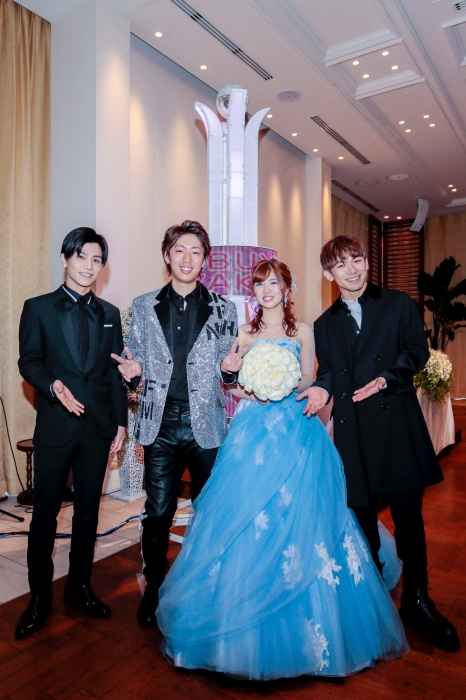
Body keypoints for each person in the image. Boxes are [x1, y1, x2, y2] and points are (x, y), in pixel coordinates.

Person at [155, 259, 409, 681]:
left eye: (274, 283)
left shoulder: (303, 330)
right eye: (260, 284)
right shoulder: (243, 332)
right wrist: (241, 380)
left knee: (306, 515)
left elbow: (311, 376)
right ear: (253, 292)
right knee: (245, 516)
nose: (267, 290)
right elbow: (233, 385)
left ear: (286, 288)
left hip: (295, 426)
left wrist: (285, 382)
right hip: (252, 431)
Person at [298, 235, 460, 653]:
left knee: (409, 518)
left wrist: (387, 378)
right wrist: (320, 388)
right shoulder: (325, 323)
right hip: (353, 432)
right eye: (341, 264)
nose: (351, 269)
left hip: (395, 425)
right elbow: (329, 372)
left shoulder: (398, 304)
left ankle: (418, 600)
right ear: (328, 274)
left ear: (367, 262)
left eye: (356, 260)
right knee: (363, 519)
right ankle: (370, 598)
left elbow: (417, 351)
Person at [112, 220, 245, 628]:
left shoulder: (224, 308)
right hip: (161, 424)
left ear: (205, 260)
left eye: (196, 251)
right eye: (180, 250)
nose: (187, 258)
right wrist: (132, 375)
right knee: (158, 511)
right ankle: (154, 585)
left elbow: (228, 369)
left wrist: (230, 371)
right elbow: (134, 362)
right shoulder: (143, 305)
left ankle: (204, 583)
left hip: (208, 424)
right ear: (167, 256)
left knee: (209, 510)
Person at [16, 227, 127, 641]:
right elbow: (29, 361)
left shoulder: (110, 313)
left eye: (97, 260)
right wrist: (52, 386)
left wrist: (121, 421)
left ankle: (79, 587)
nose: (89, 266)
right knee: (45, 513)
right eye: (82, 256)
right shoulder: (38, 308)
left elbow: (115, 372)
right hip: (55, 426)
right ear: (65, 258)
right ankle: (39, 597)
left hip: (97, 428)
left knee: (88, 513)